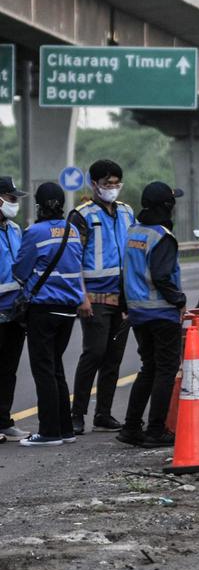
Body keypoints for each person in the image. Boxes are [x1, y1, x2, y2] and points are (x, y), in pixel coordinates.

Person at [14, 183, 85, 446]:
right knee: (56, 369)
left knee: (43, 370)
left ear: (39, 205)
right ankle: (65, 430)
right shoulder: (73, 230)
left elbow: (21, 270)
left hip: (43, 309)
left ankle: (49, 432)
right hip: (68, 311)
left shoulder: (34, 232)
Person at [119, 181, 187, 448]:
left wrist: (126, 304)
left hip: (138, 312)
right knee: (166, 370)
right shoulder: (162, 236)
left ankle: (131, 427)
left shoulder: (134, 232)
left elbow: (124, 272)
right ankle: (156, 430)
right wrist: (179, 299)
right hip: (161, 312)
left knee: (149, 368)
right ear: (167, 206)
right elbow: (161, 275)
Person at [69, 160, 133, 435]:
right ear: (94, 185)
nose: (112, 188)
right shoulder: (82, 215)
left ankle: (103, 413)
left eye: (116, 183)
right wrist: (81, 296)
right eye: (107, 183)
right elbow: (72, 260)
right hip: (94, 296)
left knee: (113, 358)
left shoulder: (127, 212)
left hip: (123, 297)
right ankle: (77, 413)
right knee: (94, 353)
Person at [0, 177, 30, 442]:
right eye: (10, 199)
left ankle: (3, 421)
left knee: (8, 369)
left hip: (14, 310)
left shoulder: (15, 229)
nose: (14, 204)